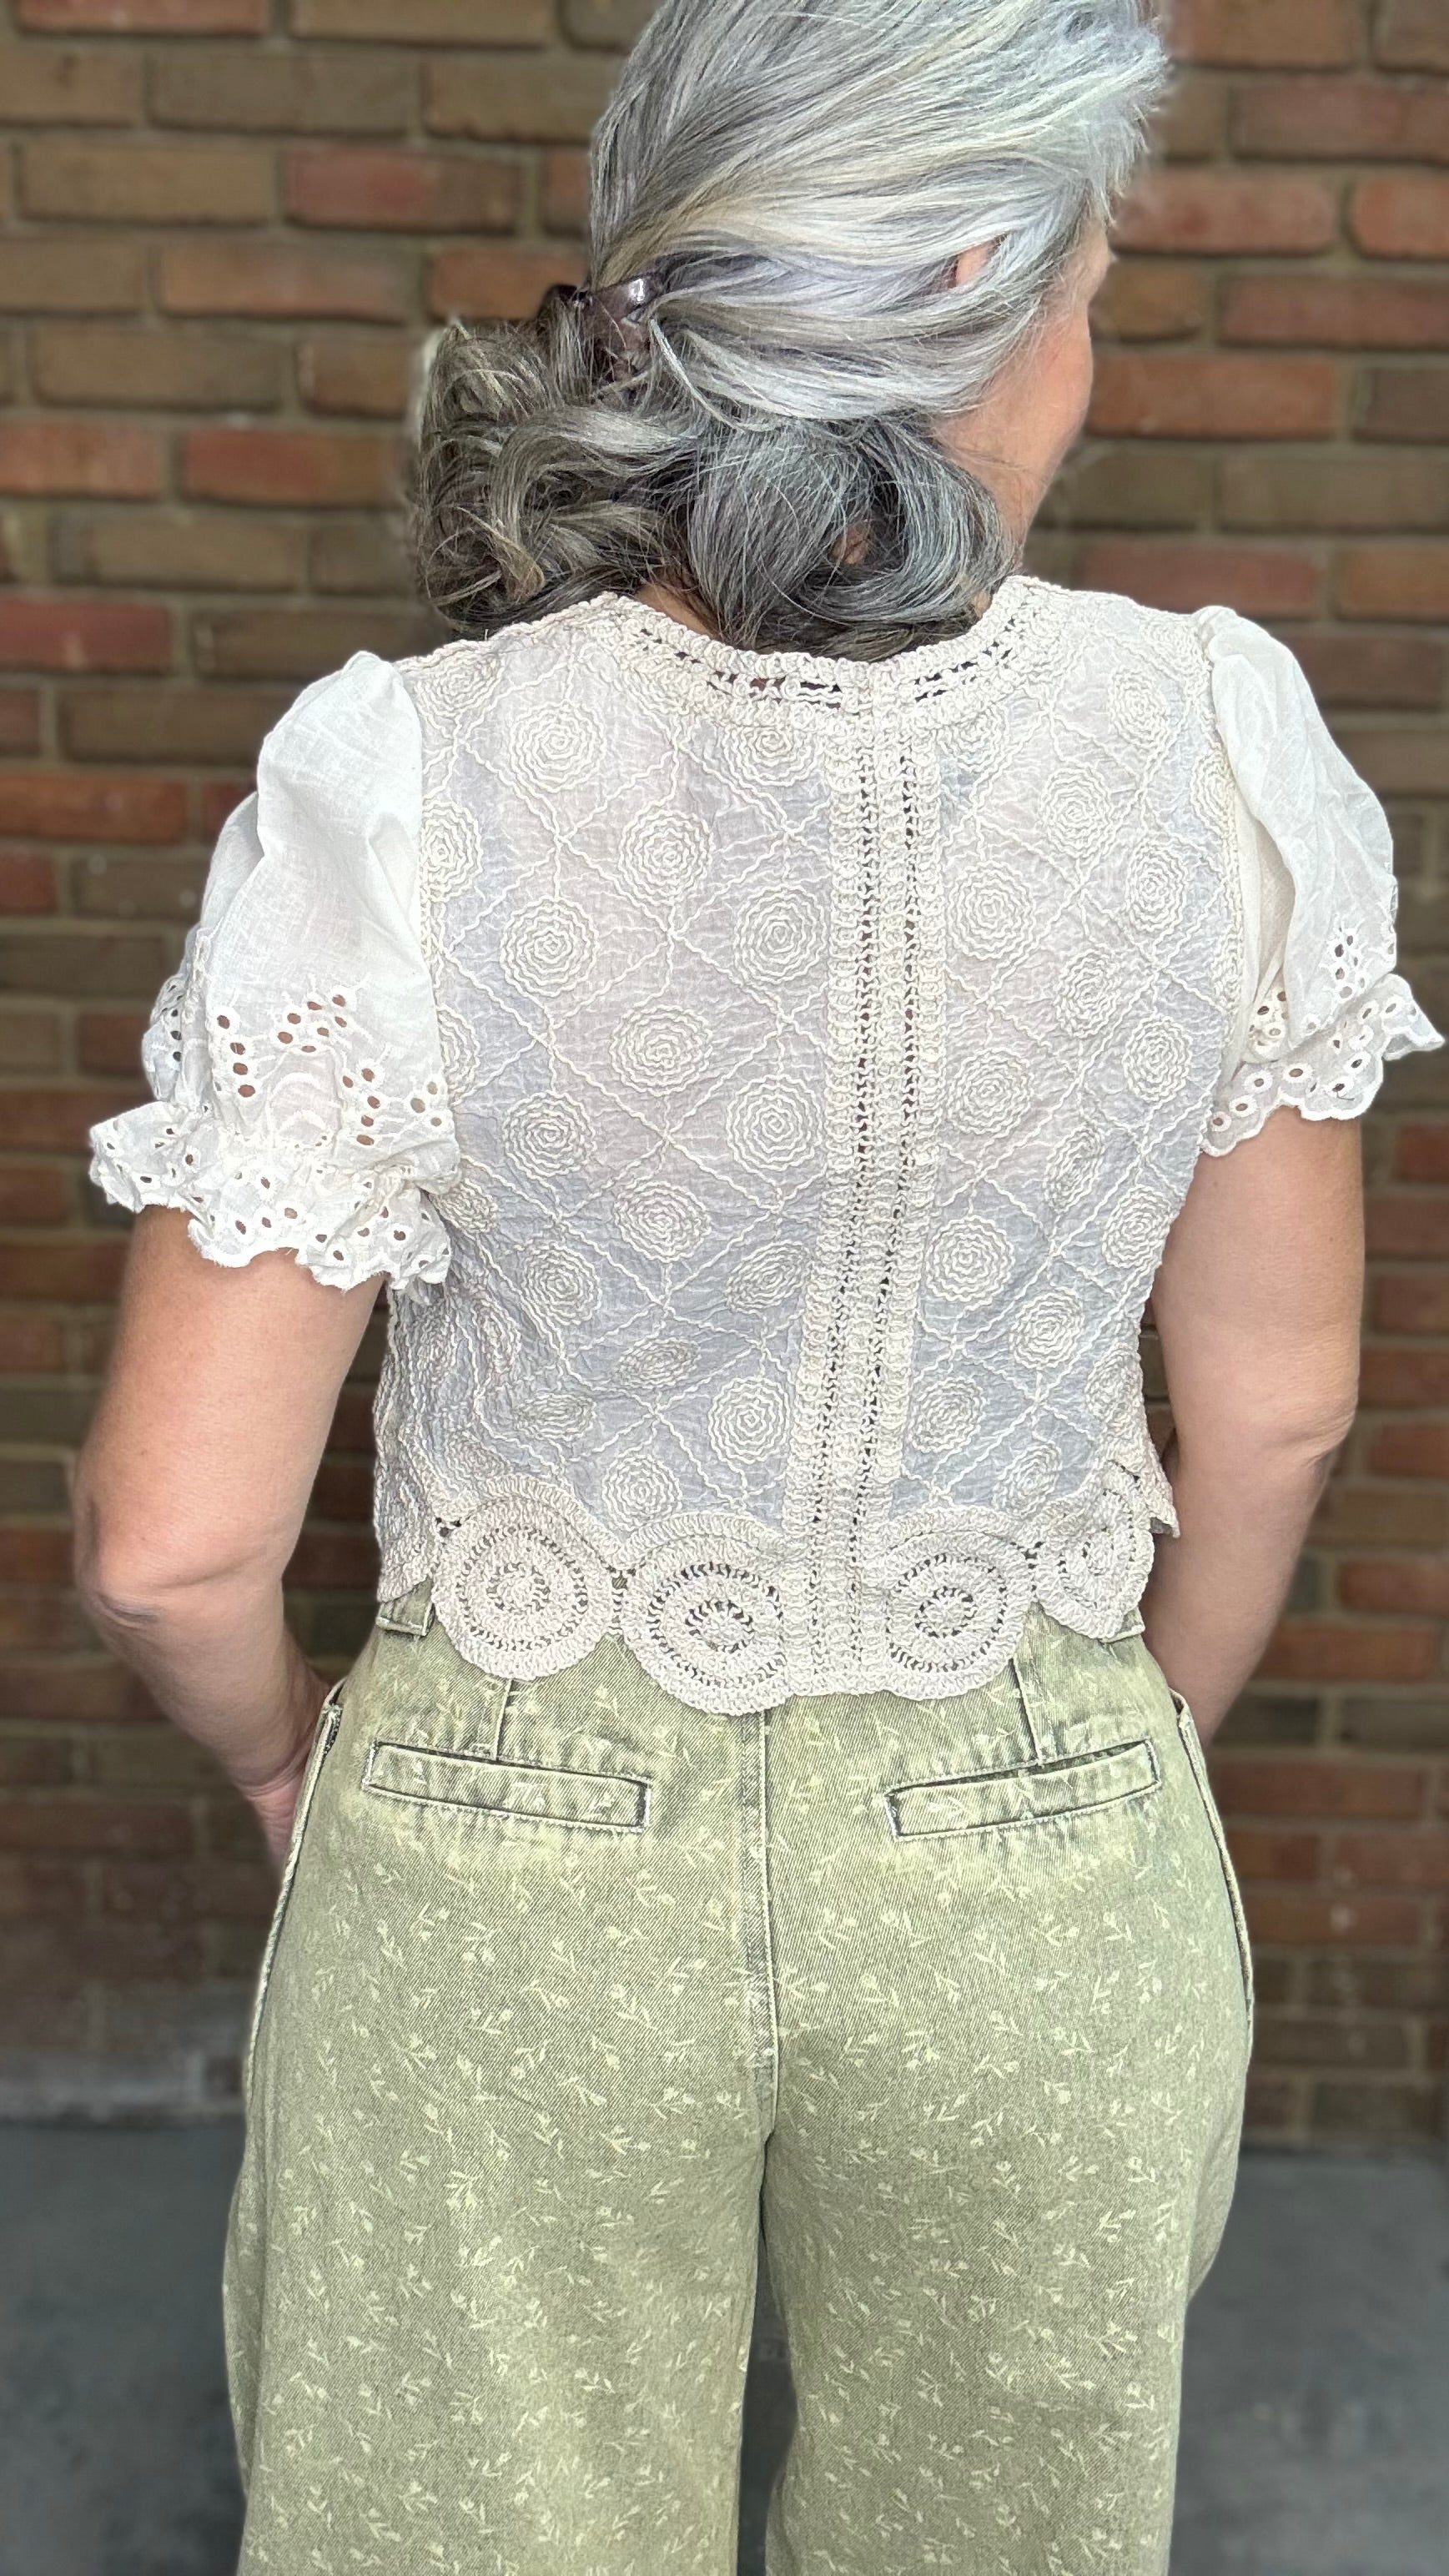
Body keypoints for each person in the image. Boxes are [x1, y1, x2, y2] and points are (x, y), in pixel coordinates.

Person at [73, 1, 1441, 2568]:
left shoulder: (395, 776)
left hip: (501, 1858)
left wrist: (294, 1772)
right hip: (1033, 1835)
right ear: (973, 283)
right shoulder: (1227, 745)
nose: (1096, 337)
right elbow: (1266, 1421)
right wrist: (1097, 1766)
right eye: (1090, 273)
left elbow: (173, 1544)